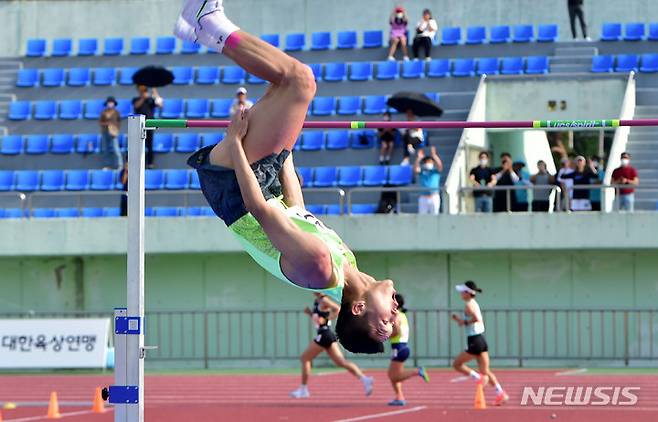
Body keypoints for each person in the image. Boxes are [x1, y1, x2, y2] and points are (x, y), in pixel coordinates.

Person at [175, 0, 399, 354]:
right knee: (287, 85)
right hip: (264, 184)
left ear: (358, 308)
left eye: (386, 321)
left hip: (240, 187)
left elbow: (261, 210)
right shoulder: (343, 267)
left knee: (299, 81)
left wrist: (234, 144)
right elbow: (296, 209)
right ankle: (198, 32)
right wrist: (285, 152)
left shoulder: (320, 268)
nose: (395, 314)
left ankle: (207, 25)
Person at [290, 293, 373, 398]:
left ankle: (303, 389)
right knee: (341, 362)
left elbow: (337, 309)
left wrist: (327, 319)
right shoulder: (318, 301)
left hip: (324, 335)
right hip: (327, 335)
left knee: (305, 358)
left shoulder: (324, 300)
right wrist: (310, 314)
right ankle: (365, 379)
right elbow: (319, 319)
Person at [451, 281, 508, 406]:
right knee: (485, 370)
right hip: (481, 340)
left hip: (474, 341)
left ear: (467, 293)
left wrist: (465, 322)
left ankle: (478, 378)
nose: (460, 293)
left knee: (456, 364)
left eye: (462, 291)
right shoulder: (473, 303)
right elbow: (473, 321)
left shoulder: (469, 305)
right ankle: (500, 393)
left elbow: (477, 318)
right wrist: (459, 320)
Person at [387, 294, 430, 406]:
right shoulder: (402, 315)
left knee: (393, 376)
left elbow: (396, 332)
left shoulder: (396, 315)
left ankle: (417, 371)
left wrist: (385, 335)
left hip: (399, 348)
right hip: (402, 347)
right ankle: (399, 397)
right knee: (395, 375)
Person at [132, 85, 163, 168]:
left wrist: (155, 92)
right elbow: (136, 106)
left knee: (150, 145)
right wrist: (143, 98)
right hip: (138, 124)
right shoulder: (136, 99)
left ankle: (150, 163)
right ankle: (137, 163)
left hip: (149, 124)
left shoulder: (150, 100)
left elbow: (160, 104)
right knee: (137, 145)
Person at [414, 146, 443, 215]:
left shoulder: (435, 171)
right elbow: (415, 169)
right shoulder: (422, 171)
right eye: (426, 162)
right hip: (423, 198)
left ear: (433, 163)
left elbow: (440, 166)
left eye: (430, 161)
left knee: (435, 218)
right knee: (422, 218)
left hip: (434, 197)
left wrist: (434, 155)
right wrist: (419, 158)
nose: (428, 163)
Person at [99, 96, 122, 170]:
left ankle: (119, 165)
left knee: (116, 149)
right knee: (106, 150)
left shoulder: (116, 113)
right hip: (105, 132)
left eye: (111, 103)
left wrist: (116, 129)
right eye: (109, 102)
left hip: (113, 133)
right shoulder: (103, 112)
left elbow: (118, 122)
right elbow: (100, 122)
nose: (110, 104)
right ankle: (107, 165)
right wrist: (107, 124)